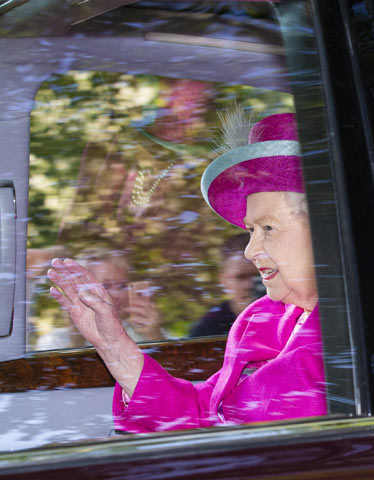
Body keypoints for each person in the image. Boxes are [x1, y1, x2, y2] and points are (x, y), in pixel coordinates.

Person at [48, 112, 327, 433]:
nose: (250, 251)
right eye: (251, 230)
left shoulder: (365, 330)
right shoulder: (261, 319)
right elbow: (201, 415)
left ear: (327, 228)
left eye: (267, 227)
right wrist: (115, 348)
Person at [35, 247, 165, 350]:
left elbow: (173, 379)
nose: (118, 294)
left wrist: (154, 335)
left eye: (122, 285)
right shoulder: (54, 342)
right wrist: (77, 339)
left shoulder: (144, 332)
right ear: (80, 291)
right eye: (106, 286)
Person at [188, 234, 258, 337]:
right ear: (223, 280)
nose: (250, 285)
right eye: (240, 277)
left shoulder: (289, 315)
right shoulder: (208, 329)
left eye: (259, 275)